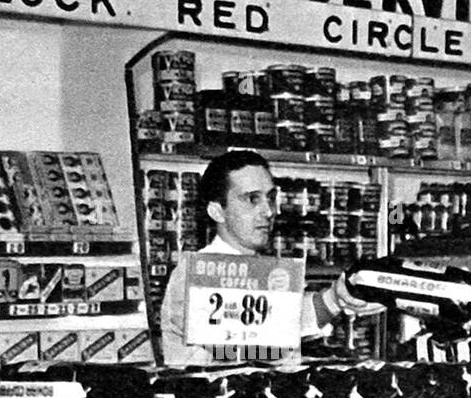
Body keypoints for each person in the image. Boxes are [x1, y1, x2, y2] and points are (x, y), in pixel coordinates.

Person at [159, 149, 381, 366]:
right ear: (217, 211)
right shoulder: (196, 275)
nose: (268, 211)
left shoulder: (259, 270)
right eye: (252, 199)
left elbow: (286, 318)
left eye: (270, 198)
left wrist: (337, 297)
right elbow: (256, 336)